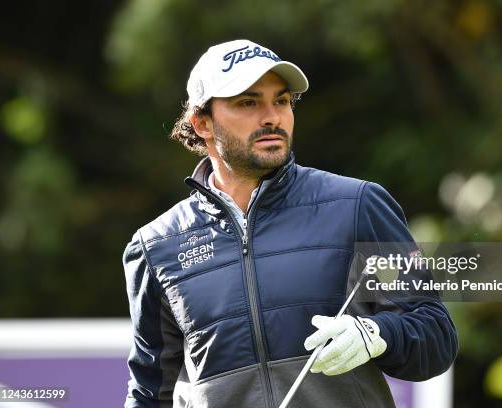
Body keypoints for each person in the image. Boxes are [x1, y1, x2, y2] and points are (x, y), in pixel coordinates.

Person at [123, 39, 458, 408]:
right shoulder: (155, 247)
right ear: (202, 123)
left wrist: (377, 334)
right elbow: (149, 393)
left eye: (281, 101)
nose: (272, 117)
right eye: (248, 102)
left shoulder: (358, 206)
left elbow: (435, 335)